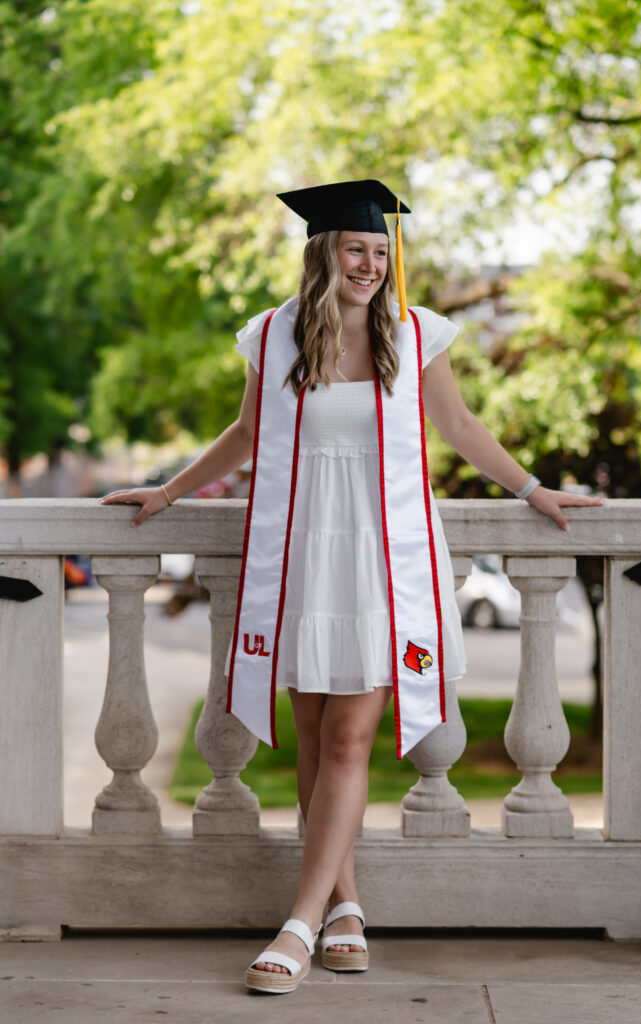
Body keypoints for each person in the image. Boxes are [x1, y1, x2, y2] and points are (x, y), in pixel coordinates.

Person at [99, 179, 604, 994]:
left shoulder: (414, 334)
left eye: (379, 251)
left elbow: (461, 427)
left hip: (382, 559)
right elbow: (244, 433)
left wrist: (533, 490)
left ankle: (296, 925)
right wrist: (163, 494)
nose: (370, 264)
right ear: (324, 253)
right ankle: (345, 908)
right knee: (310, 737)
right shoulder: (271, 338)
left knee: (347, 740)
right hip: (300, 554)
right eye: (355, 249)